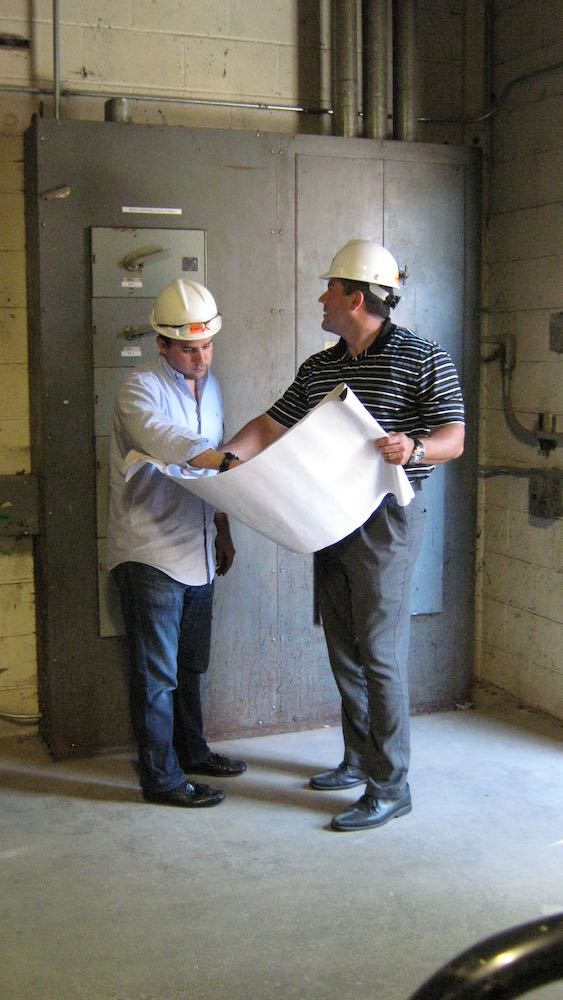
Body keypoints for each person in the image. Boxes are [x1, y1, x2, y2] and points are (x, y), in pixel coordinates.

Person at [225, 239, 465, 831]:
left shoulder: (422, 356)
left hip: (385, 520)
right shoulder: (322, 366)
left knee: (379, 653)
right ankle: (358, 759)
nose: (321, 298)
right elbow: (271, 424)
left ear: (356, 298)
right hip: (325, 516)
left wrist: (414, 447)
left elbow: (453, 436)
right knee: (342, 645)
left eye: (330, 289)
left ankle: (391, 784)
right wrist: (226, 455)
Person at [106, 277, 246, 808]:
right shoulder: (137, 389)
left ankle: (193, 751)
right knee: (156, 676)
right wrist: (224, 460)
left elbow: (215, 465)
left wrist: (224, 530)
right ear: (161, 343)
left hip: (201, 548)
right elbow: (172, 443)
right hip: (151, 551)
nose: (201, 358)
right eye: (188, 349)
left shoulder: (211, 389)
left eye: (207, 345)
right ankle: (162, 779)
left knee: (191, 665)